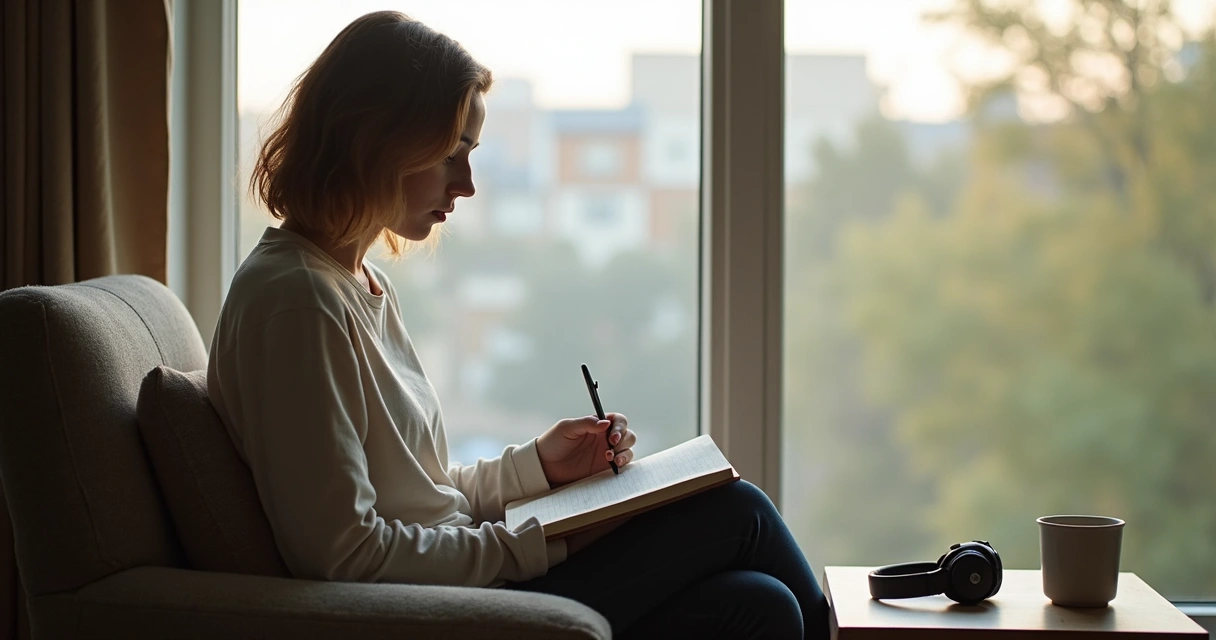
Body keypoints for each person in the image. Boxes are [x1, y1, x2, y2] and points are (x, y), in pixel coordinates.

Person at [208, 10, 830, 639]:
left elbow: (421, 493)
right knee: (737, 511)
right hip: (447, 610)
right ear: (377, 139)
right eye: (453, 154)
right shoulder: (295, 301)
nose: (469, 185)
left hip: (470, 582)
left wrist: (538, 467)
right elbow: (343, 554)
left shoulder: (357, 285)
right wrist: (542, 543)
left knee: (761, 605)